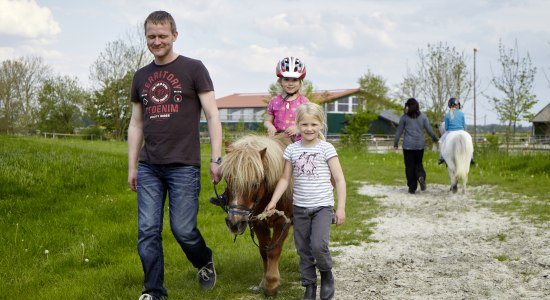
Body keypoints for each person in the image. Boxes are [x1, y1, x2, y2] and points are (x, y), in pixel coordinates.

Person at [127, 11, 222, 300]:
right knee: (147, 231)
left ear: (174, 36)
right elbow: (136, 122)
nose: (157, 41)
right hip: (149, 166)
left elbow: (213, 115)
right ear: (146, 38)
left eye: (162, 36)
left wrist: (216, 158)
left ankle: (203, 260)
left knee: (183, 229)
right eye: (151, 37)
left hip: (184, 165)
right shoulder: (141, 76)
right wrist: (132, 166)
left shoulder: (194, 69)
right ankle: (154, 290)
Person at [265, 103, 346, 300]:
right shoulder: (292, 150)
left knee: (318, 245)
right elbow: (285, 179)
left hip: (322, 208)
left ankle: (326, 274)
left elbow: (339, 179)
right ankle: (309, 286)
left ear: (321, 125)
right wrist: (273, 201)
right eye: (304, 124)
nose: (309, 129)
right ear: (298, 125)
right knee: (303, 249)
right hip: (299, 209)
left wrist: (341, 208)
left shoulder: (326, 148)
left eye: (313, 124)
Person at [393, 98, 438, 194]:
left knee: (409, 166)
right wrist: (434, 138)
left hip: (408, 146)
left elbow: (399, 131)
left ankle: (412, 188)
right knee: (418, 164)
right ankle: (421, 176)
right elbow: (429, 129)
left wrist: (395, 142)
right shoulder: (423, 117)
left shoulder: (404, 118)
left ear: (408, 107)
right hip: (420, 145)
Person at [264, 56, 310, 141]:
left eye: (294, 80)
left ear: (300, 83)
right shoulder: (274, 101)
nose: (290, 84)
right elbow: (267, 121)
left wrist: (298, 128)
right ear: (280, 81)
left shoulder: (304, 102)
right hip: (278, 140)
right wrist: (270, 127)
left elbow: (309, 123)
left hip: (298, 142)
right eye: (286, 80)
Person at [438, 97, 475, 165]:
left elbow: (446, 128)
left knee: (440, 141)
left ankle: (441, 157)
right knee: (470, 139)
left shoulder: (447, 114)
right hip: (461, 130)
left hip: (450, 132)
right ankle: (471, 157)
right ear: (457, 105)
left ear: (450, 105)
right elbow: (464, 126)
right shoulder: (461, 113)